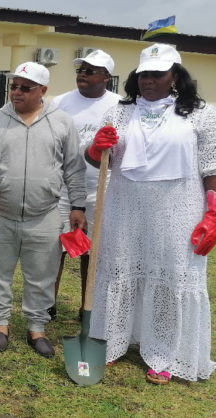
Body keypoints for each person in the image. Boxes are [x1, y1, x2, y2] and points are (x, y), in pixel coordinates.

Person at [87, 44, 216, 384]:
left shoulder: (201, 113)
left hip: (179, 206)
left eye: (157, 74)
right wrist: (96, 146)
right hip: (125, 204)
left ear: (175, 76)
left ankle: (164, 353)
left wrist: (213, 212)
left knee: (169, 274)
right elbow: (96, 159)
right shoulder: (120, 112)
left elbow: (211, 167)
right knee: (120, 268)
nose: (149, 80)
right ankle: (112, 342)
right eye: (144, 73)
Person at [0, 62, 87, 358]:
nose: (16, 92)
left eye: (25, 87)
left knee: (42, 274)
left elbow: (73, 168)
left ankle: (37, 327)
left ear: (43, 91)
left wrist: (77, 205)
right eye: (13, 86)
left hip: (45, 214)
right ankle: (0, 324)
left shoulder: (61, 122)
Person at [49, 50, 121, 320]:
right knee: (54, 249)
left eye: (91, 71)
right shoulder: (60, 102)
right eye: (81, 69)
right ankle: (47, 304)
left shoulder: (120, 106)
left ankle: (88, 307)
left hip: (102, 189)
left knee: (93, 252)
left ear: (106, 76)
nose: (83, 74)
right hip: (64, 188)